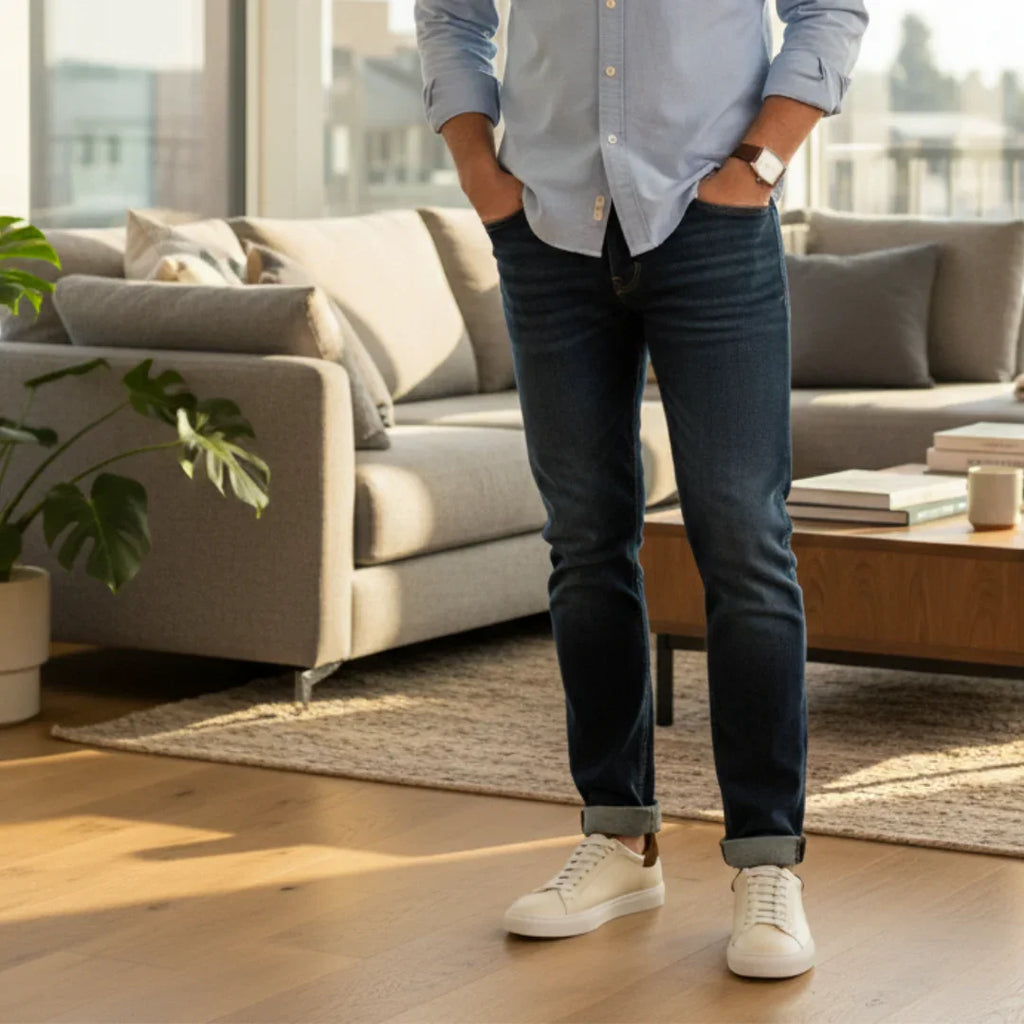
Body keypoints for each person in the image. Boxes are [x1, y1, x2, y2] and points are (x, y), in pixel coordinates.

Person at [414, 0, 868, 980]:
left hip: (711, 220)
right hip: (544, 226)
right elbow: (450, 15)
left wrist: (757, 168)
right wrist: (480, 173)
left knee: (743, 537)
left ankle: (764, 859)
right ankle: (619, 839)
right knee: (584, 540)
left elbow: (828, 10)